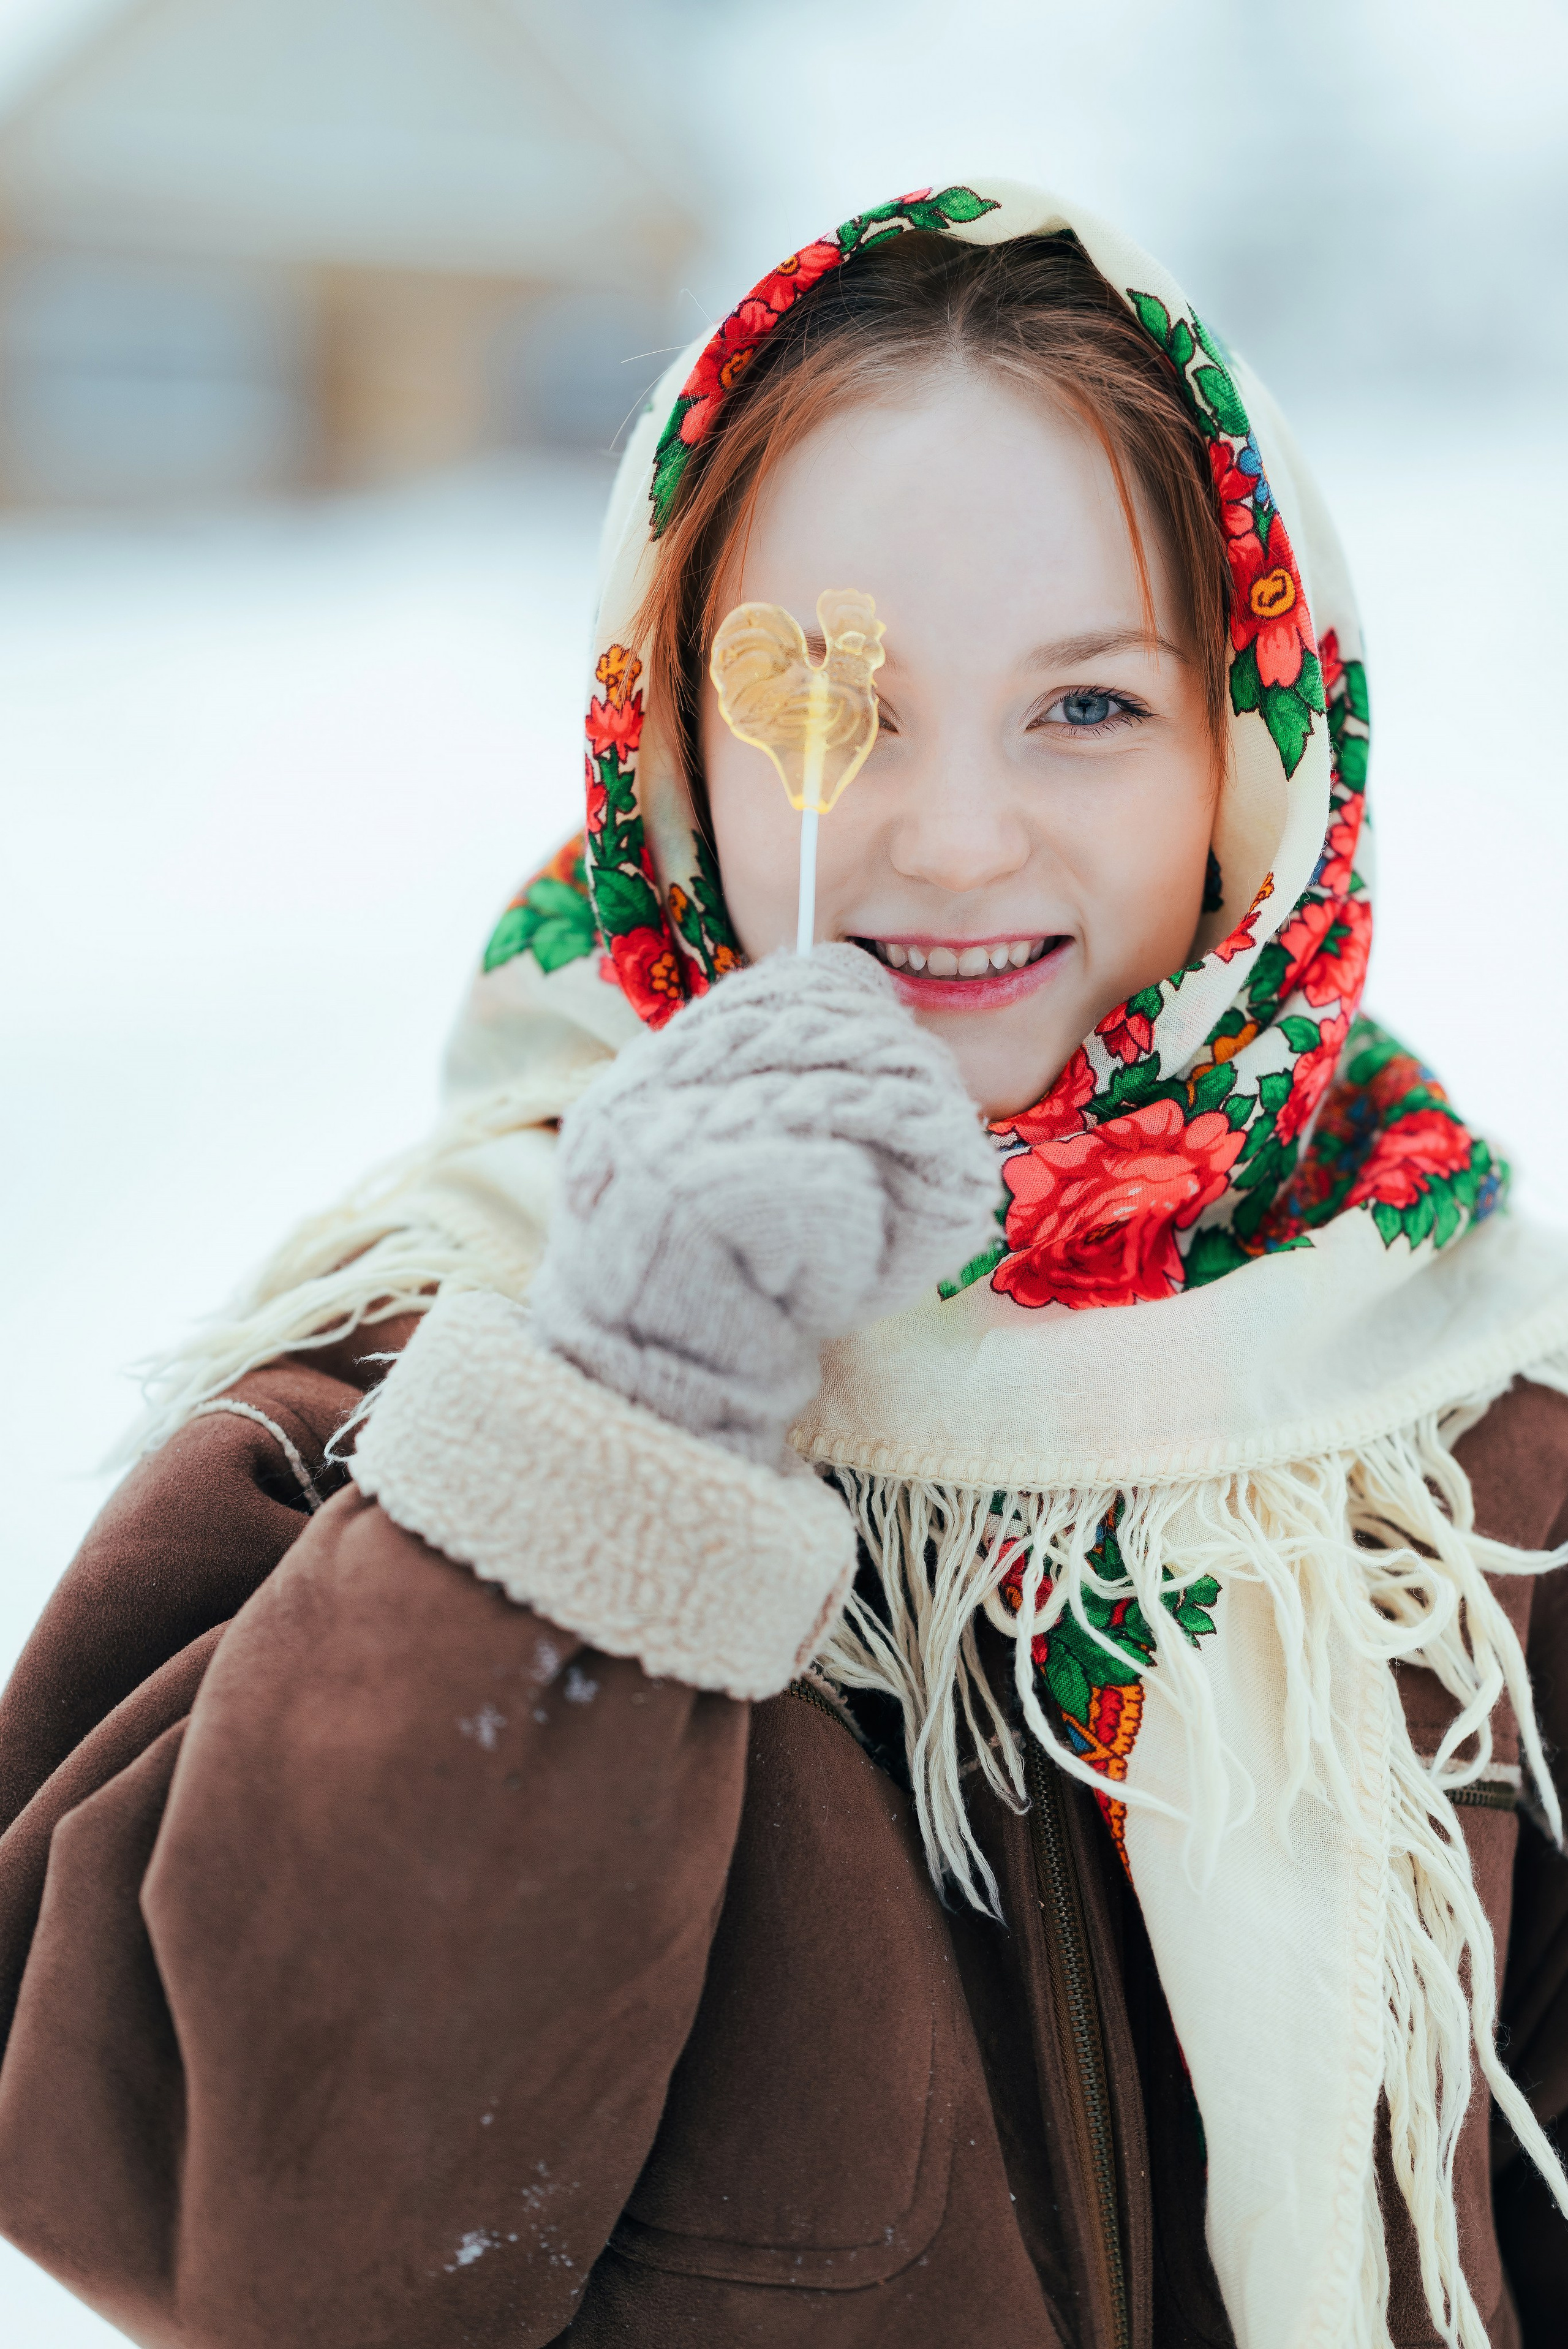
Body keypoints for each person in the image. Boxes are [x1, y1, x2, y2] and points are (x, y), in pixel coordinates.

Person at [2, 179, 1567, 2349]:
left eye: (1089, 707)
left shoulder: (1459, 1416)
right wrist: (606, 1427)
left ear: (1262, 741)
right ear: (668, 729)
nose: (947, 833)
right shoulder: (440, 1357)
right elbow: (209, 2195)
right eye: (838, 701)